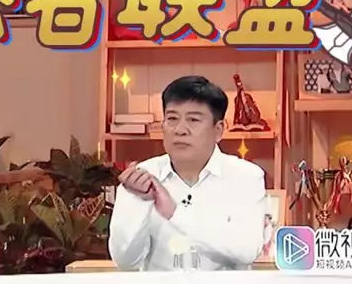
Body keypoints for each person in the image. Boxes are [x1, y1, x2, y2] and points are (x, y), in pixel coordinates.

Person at [109, 75, 267, 271]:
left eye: (193, 120)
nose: (180, 130)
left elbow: (247, 250)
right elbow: (125, 261)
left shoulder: (245, 177)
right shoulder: (142, 178)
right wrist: (139, 202)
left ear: (218, 130)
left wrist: (175, 213)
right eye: (172, 119)